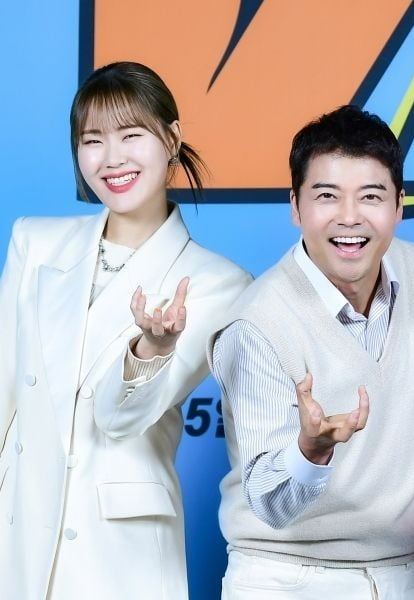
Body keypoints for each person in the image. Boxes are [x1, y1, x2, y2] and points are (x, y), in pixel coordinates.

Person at [0, 61, 251, 599]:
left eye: (131, 135)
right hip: (17, 531)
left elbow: (119, 419)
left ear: (172, 139)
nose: (112, 158)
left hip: (118, 552)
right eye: (92, 140)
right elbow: (4, 392)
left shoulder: (219, 283)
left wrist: (151, 348)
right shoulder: (34, 243)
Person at [210, 105, 414, 600]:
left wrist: (403, 523)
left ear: (399, 205)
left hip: (399, 575)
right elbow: (270, 504)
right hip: (284, 578)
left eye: (371, 196)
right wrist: (311, 451)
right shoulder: (258, 320)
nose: (349, 217)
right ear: (296, 206)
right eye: (327, 196)